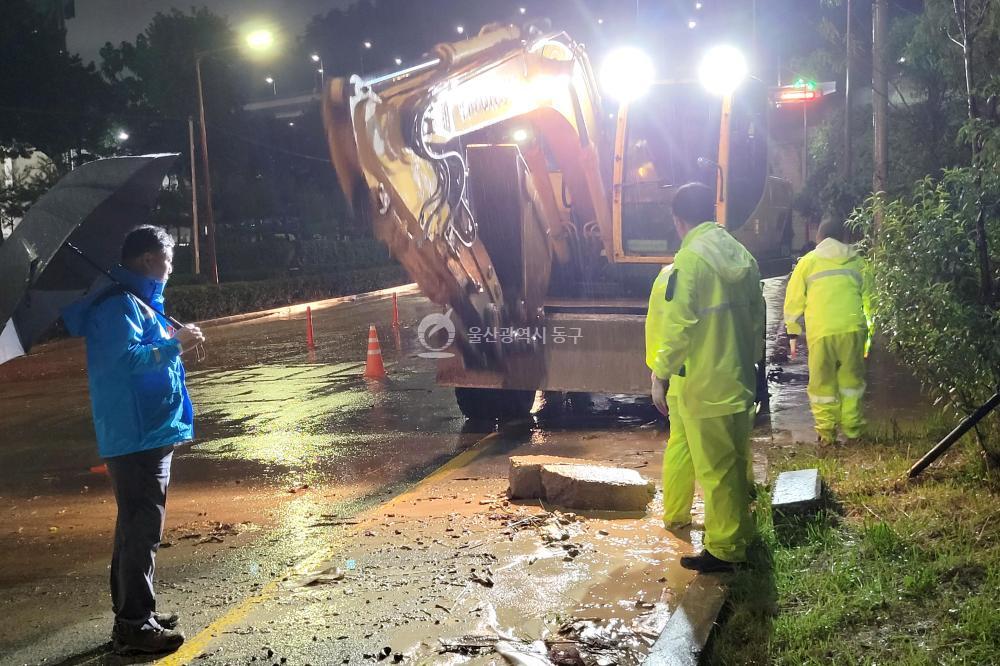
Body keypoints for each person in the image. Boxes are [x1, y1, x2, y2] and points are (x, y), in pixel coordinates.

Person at [62, 225, 203, 655]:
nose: (171, 266)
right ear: (147, 260)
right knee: (142, 529)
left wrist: (172, 341)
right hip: (136, 433)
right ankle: (134, 624)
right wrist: (174, 346)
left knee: (135, 527)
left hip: (148, 428)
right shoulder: (118, 305)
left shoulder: (138, 302)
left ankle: (135, 611)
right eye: (168, 258)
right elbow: (125, 363)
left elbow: (145, 353)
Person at [647, 182, 765, 573]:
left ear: (679, 221)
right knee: (732, 465)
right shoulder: (741, 254)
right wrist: (756, 366)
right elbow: (756, 319)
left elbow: (678, 326)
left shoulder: (690, 261)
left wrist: (659, 375)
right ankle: (740, 535)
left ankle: (725, 549)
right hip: (737, 380)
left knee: (715, 471)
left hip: (704, 384)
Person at [783, 219, 872, 445]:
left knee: (822, 385)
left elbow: (793, 299)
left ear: (819, 238)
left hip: (821, 333)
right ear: (844, 236)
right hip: (853, 330)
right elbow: (871, 300)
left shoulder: (808, 262)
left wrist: (792, 333)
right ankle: (853, 432)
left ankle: (826, 435)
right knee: (851, 383)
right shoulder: (859, 262)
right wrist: (869, 336)